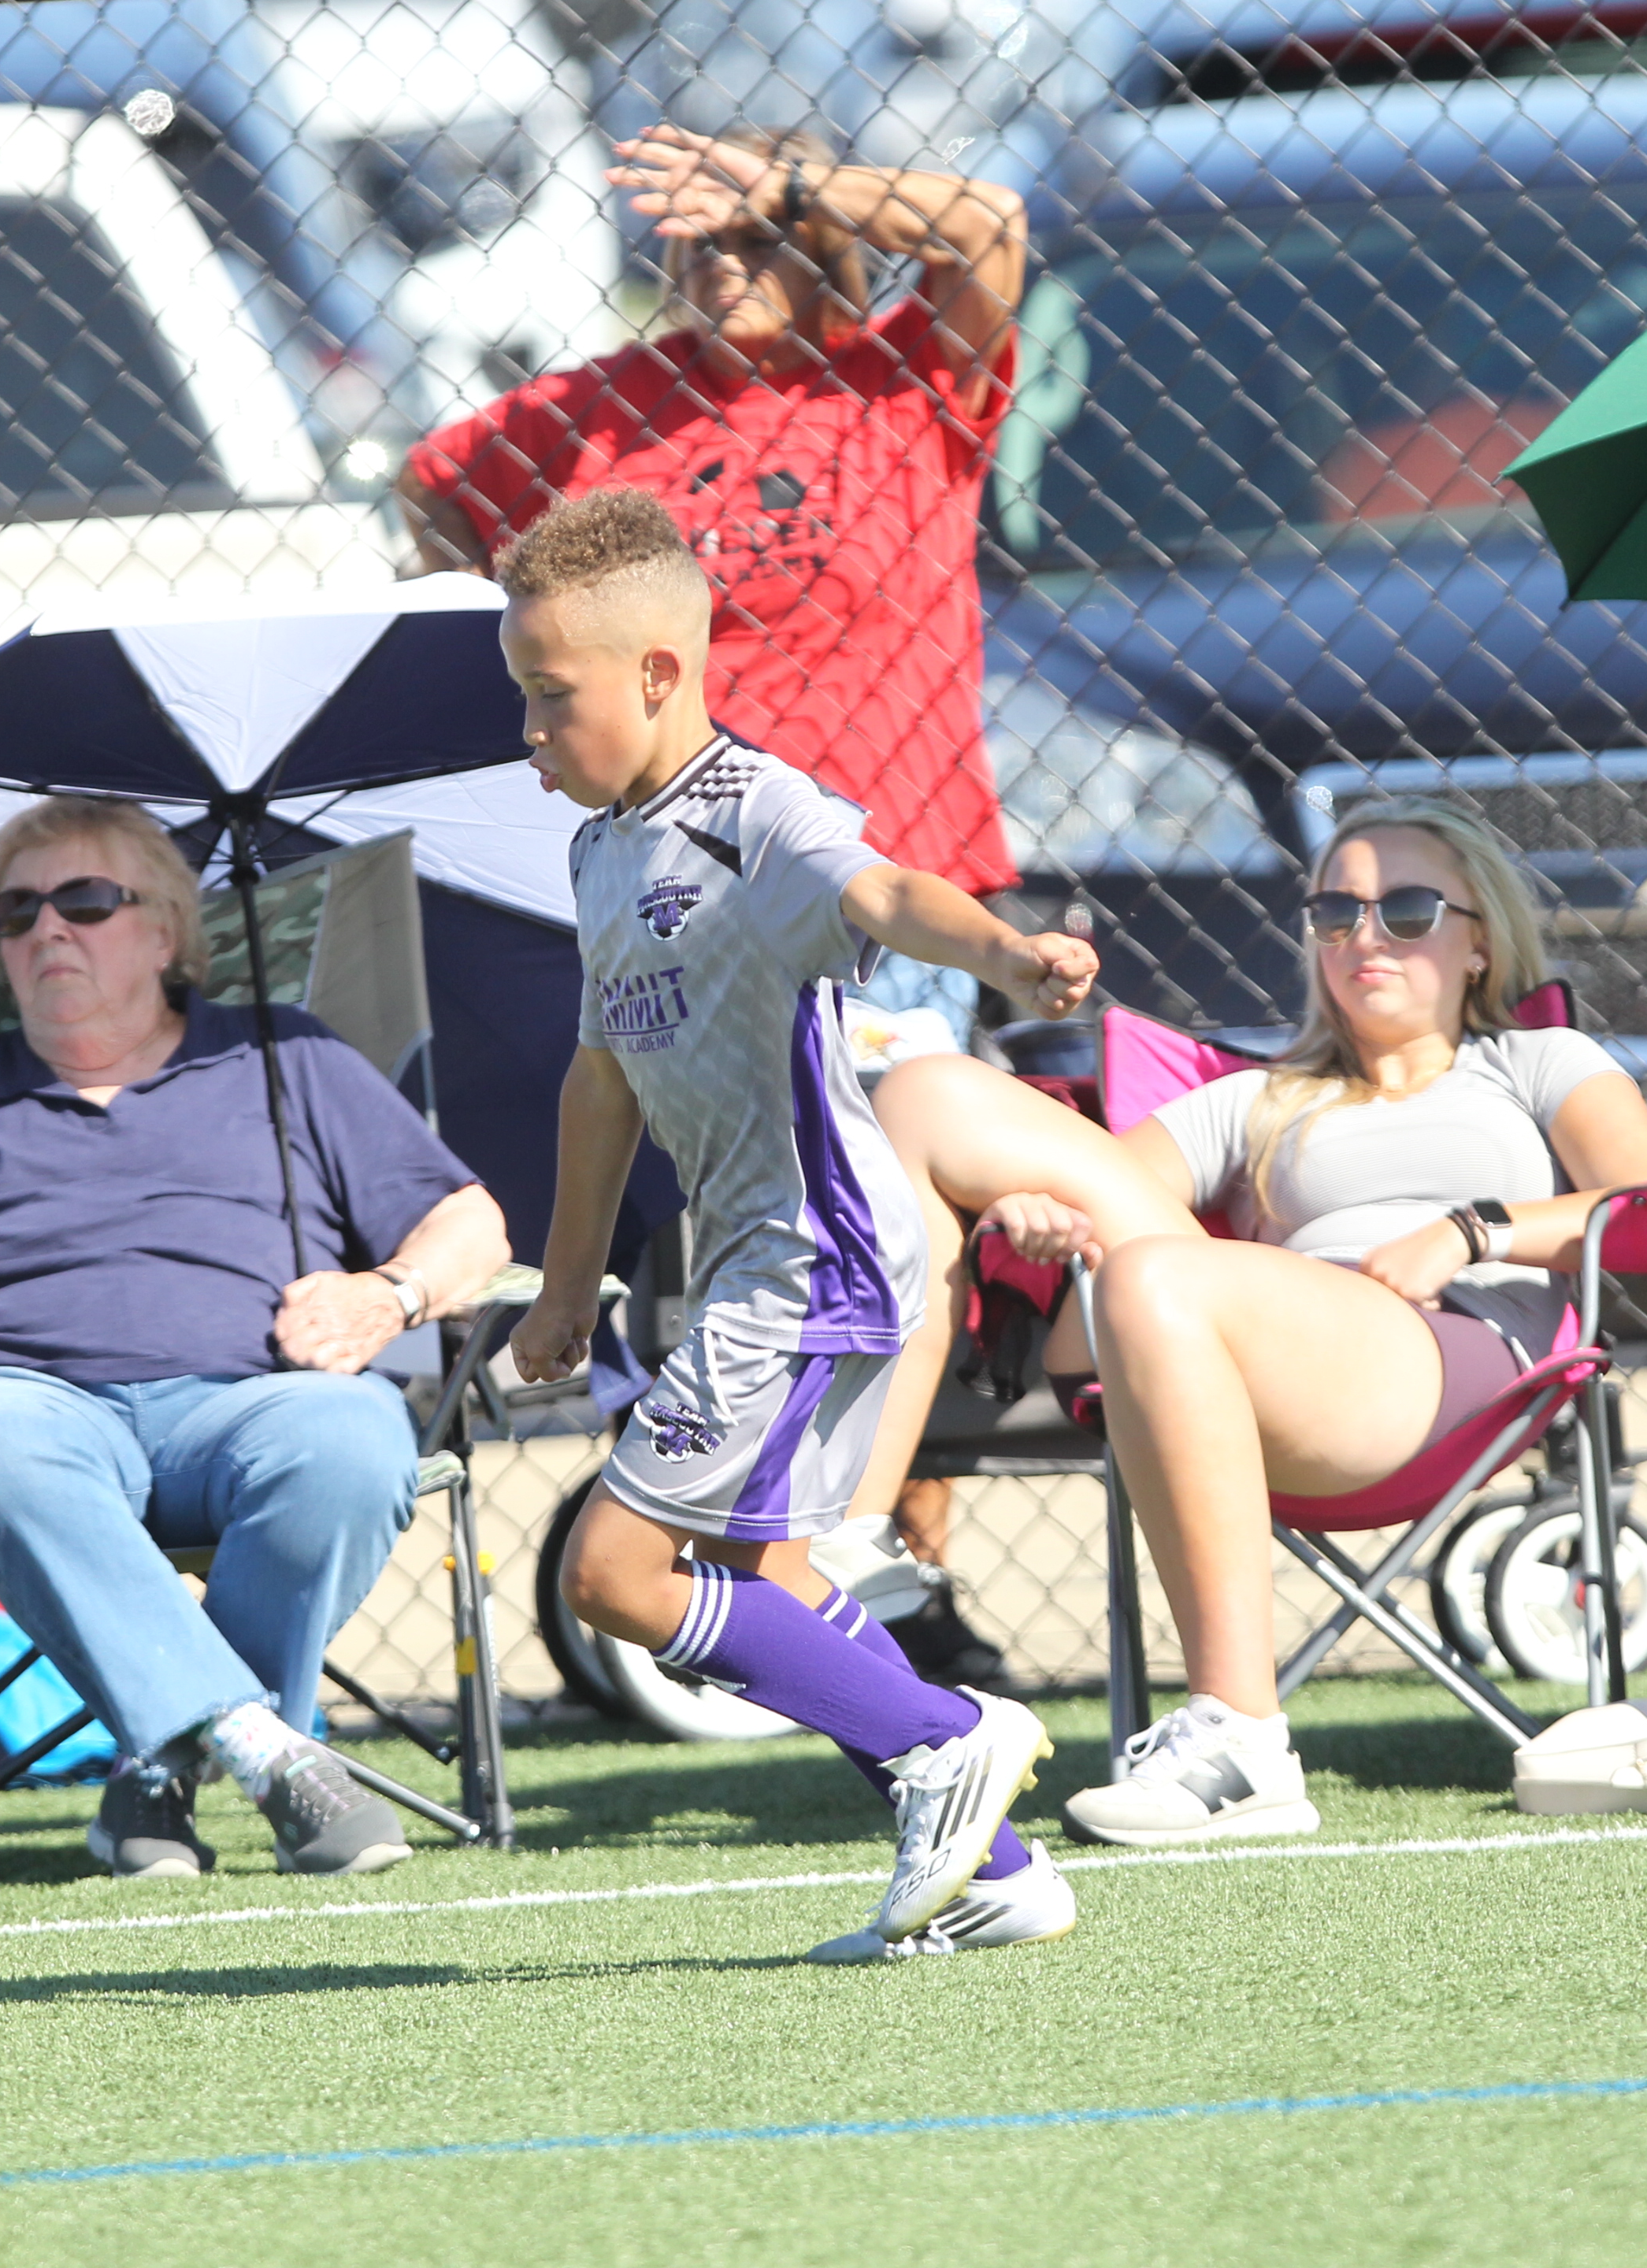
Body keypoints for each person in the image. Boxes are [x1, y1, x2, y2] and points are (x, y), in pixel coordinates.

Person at [400, 121, 1033, 1652]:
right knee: (764, 1235)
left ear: (829, 241)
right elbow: (437, 488)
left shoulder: (905, 382)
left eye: (757, 235)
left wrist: (794, 186)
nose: (724, 261)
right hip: (681, 897)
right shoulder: (611, 411)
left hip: (875, 894)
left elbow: (993, 228)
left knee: (887, 1211)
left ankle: (885, 1564)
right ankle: (787, 1551)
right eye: (697, 236)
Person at [499, 488, 1096, 1964]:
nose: (530, 732)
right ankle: (999, 1872)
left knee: (615, 1577)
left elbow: (885, 888)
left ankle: (943, 1738)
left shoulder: (754, 812)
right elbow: (600, 1079)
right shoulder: (600, 851)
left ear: (658, 673)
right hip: (761, 1260)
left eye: (551, 697)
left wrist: (1007, 954)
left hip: (815, 1258)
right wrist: (566, 1287)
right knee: (764, 1574)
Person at [859, 801, 1647, 1845]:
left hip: (1450, 1363)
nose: (1365, 937)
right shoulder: (1256, 1100)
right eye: (1336, 914)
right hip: (1252, 1367)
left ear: (1480, 942)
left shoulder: (1535, 1062)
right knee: (925, 1091)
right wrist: (1029, 1212)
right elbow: (1097, 1191)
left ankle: (1240, 1738)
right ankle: (855, 1532)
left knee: (1155, 1278)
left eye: (1407, 910)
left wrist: (1472, 1231)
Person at [0, 796, 511, 1878]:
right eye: (15, 912)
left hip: (251, 1400)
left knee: (352, 1438)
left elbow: (471, 1225)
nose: (45, 929)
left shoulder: (285, 1059)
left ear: (166, 931)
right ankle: (261, 1746)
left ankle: (158, 1771)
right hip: (20, 1408)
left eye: (84, 901)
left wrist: (389, 1296)